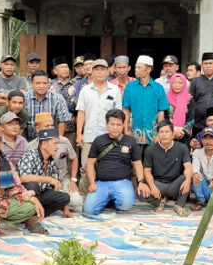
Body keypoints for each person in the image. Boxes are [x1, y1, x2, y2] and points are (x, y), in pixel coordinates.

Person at [82, 109, 148, 215]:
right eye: (112, 124)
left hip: (122, 182)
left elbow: (138, 163)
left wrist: (141, 182)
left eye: (118, 124)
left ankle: (113, 199)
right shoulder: (98, 140)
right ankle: (108, 198)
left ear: (123, 125)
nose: (115, 127)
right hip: (101, 183)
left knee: (126, 206)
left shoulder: (131, 141)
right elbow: (90, 163)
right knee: (89, 210)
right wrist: (92, 183)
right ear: (107, 124)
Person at [76, 59, 121, 192]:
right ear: (92, 71)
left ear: (108, 71)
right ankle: (84, 196)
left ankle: (105, 195)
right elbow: (81, 113)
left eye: (103, 69)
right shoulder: (85, 90)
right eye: (96, 69)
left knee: (107, 167)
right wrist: (79, 134)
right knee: (85, 167)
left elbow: (118, 114)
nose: (100, 72)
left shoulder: (115, 90)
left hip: (108, 136)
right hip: (89, 136)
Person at [17, 128, 72, 231]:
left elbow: (55, 187)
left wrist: (65, 208)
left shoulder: (51, 161)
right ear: (44, 145)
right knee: (32, 185)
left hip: (41, 195)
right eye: (55, 143)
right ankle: (31, 218)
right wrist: (49, 179)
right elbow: (23, 178)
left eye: (58, 143)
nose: (57, 147)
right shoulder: (30, 155)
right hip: (25, 196)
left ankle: (35, 214)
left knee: (65, 197)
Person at [26, 113, 82, 210]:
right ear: (38, 128)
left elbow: (74, 159)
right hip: (43, 185)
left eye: (52, 125)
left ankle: (58, 202)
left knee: (76, 201)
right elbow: (26, 175)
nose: (50, 128)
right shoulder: (31, 146)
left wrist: (73, 180)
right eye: (47, 126)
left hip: (63, 180)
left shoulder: (64, 141)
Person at [139, 121, 192, 217]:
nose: (164, 135)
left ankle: (179, 205)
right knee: (141, 190)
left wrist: (188, 180)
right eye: (161, 132)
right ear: (158, 134)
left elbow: (188, 166)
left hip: (175, 184)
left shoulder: (182, 148)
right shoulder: (150, 150)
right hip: (158, 184)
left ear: (172, 134)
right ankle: (159, 202)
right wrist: (152, 187)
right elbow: (147, 171)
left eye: (167, 132)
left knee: (187, 177)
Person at [122, 55, 169, 147]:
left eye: (139, 67)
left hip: (153, 134)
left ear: (148, 69)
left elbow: (161, 112)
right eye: (136, 67)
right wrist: (126, 129)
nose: (136, 69)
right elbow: (126, 109)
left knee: (152, 160)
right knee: (134, 159)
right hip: (133, 132)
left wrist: (160, 133)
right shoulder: (130, 87)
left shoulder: (158, 88)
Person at [24, 70, 71, 141]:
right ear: (32, 84)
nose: (41, 86)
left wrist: (58, 140)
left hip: (51, 140)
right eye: (38, 83)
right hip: (29, 140)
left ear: (49, 84)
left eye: (44, 83)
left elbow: (62, 121)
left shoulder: (58, 98)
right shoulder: (25, 98)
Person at [49, 56, 78, 148]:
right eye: (62, 67)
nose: (65, 69)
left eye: (66, 67)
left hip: (71, 128)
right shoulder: (50, 84)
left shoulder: (76, 84)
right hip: (52, 127)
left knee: (70, 154)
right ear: (55, 71)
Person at [166, 73, 194, 146]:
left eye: (180, 83)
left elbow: (192, 117)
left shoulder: (189, 100)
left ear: (184, 84)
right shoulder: (166, 99)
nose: (177, 85)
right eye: (174, 82)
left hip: (184, 135)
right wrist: (173, 130)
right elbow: (163, 117)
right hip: (168, 134)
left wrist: (182, 130)